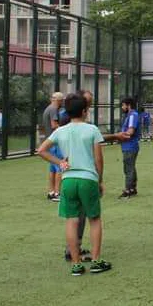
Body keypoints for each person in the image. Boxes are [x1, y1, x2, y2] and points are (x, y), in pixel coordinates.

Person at [37, 93, 112, 276]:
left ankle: (76, 264)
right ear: (85, 111)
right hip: (88, 179)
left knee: (71, 220)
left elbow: (41, 150)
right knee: (94, 219)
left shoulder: (60, 131)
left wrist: (59, 162)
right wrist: (100, 180)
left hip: (68, 180)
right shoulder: (92, 129)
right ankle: (95, 261)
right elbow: (98, 159)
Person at [41, 92, 65, 202]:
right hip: (55, 142)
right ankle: (57, 193)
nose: (62, 103)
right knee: (60, 166)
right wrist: (67, 129)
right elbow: (54, 125)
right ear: (58, 100)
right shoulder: (54, 109)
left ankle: (51, 192)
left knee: (52, 169)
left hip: (49, 142)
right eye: (62, 100)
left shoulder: (47, 108)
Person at [118, 97, 141, 198]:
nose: (122, 107)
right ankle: (132, 188)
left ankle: (128, 189)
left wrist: (119, 135)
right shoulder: (130, 115)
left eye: (123, 105)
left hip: (130, 146)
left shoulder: (133, 115)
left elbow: (130, 132)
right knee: (130, 167)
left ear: (129, 105)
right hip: (128, 146)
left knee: (128, 168)